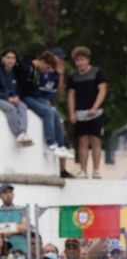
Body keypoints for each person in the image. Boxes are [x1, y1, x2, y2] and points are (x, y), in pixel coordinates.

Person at [67, 47, 107, 178]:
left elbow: (102, 90)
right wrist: (72, 112)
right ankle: (83, 170)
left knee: (95, 140)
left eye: (82, 59)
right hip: (80, 113)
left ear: (87, 60)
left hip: (95, 112)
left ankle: (96, 170)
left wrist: (95, 107)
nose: (80, 63)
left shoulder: (97, 72)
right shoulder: (73, 76)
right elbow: (71, 95)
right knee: (82, 141)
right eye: (78, 60)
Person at [25, 52, 72, 165]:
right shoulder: (28, 67)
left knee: (54, 112)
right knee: (47, 111)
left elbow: (57, 94)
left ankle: (61, 145)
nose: (48, 70)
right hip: (26, 97)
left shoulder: (40, 71)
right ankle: (50, 144)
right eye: (48, 67)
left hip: (36, 97)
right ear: (43, 62)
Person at [0, 49, 33, 147]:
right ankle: (18, 134)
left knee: (23, 106)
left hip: (12, 97)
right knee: (11, 109)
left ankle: (23, 132)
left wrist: (17, 96)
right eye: (8, 58)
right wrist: (7, 98)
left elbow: (19, 87)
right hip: (2, 98)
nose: (11, 60)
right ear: (3, 59)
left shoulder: (16, 71)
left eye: (13, 58)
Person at [0, 183, 28, 256]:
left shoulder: (21, 210)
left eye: (10, 192)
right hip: (5, 252)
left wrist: (4, 228)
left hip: (22, 250)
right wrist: (18, 227)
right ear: (0, 196)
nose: (8, 195)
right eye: (5, 192)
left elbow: (25, 228)